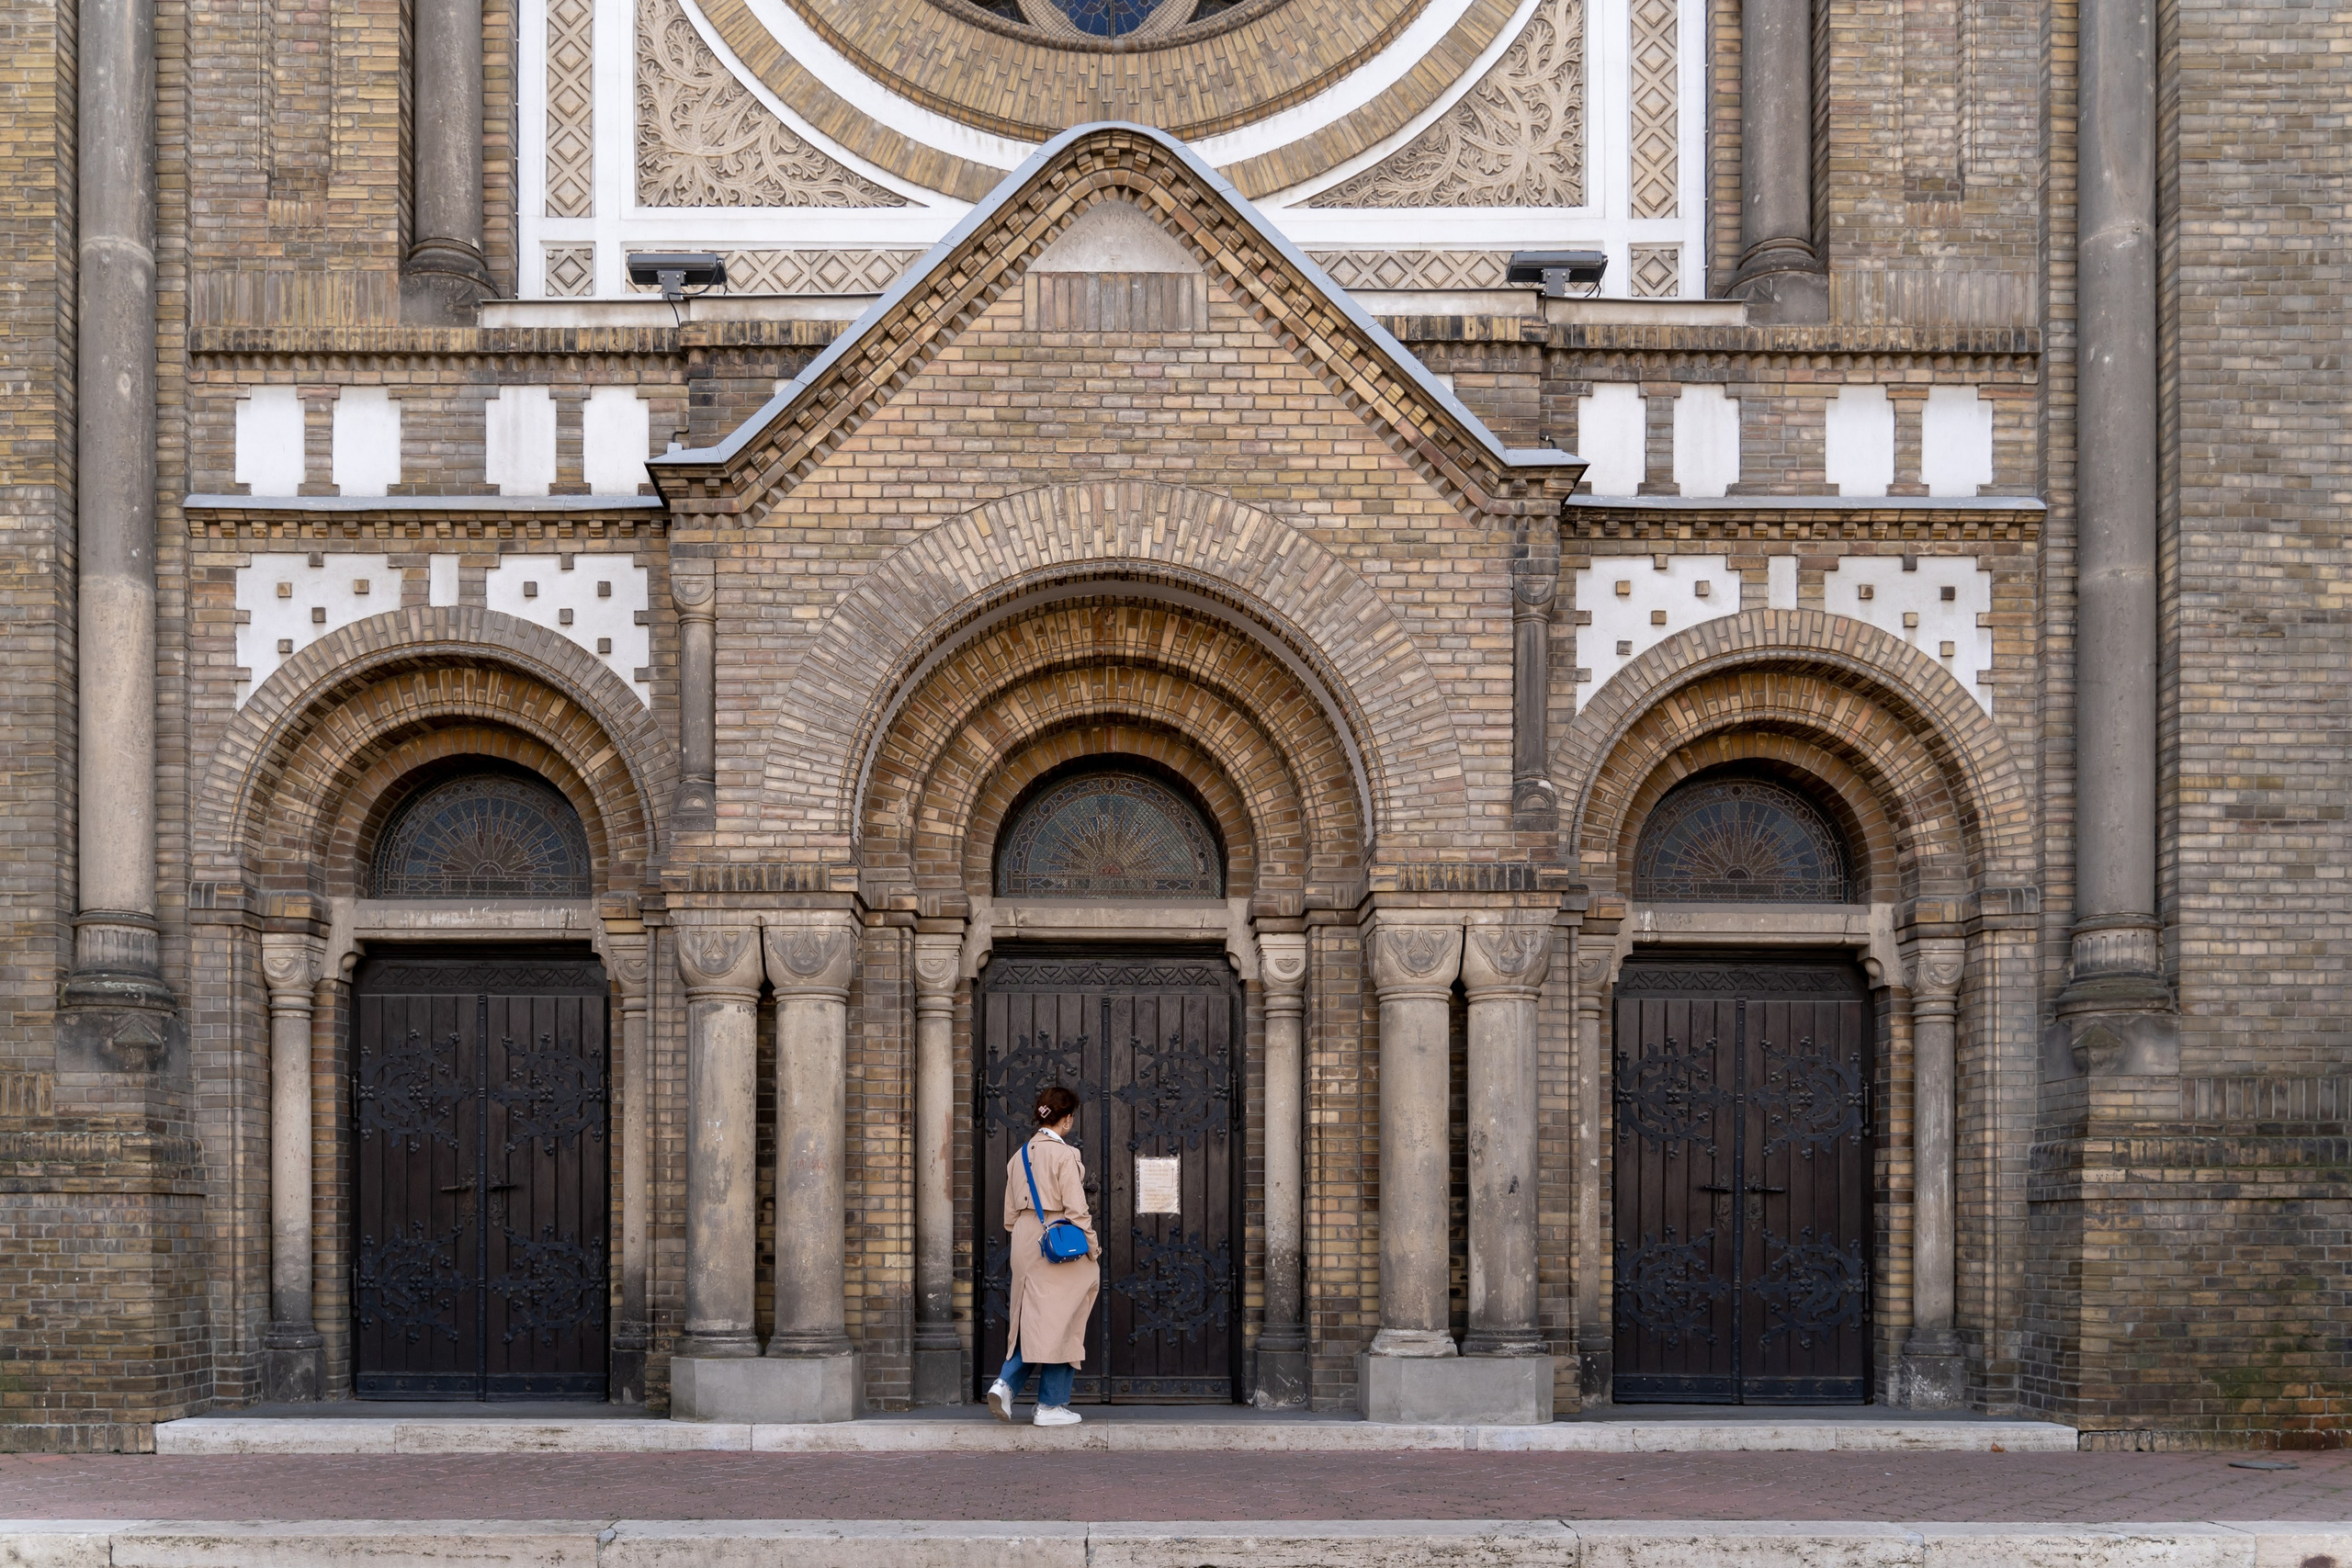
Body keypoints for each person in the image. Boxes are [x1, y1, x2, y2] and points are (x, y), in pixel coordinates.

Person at [986, 1083, 1099, 1427]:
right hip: (1057, 1240)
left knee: (1032, 1317)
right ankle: (1050, 1405)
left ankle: (1007, 1384)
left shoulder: (1017, 1157)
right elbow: (1077, 1210)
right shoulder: (1065, 1155)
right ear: (1065, 1120)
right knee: (1065, 1318)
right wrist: (1092, 1246)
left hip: (1024, 1239)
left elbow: (1008, 1218)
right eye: (1071, 1117)